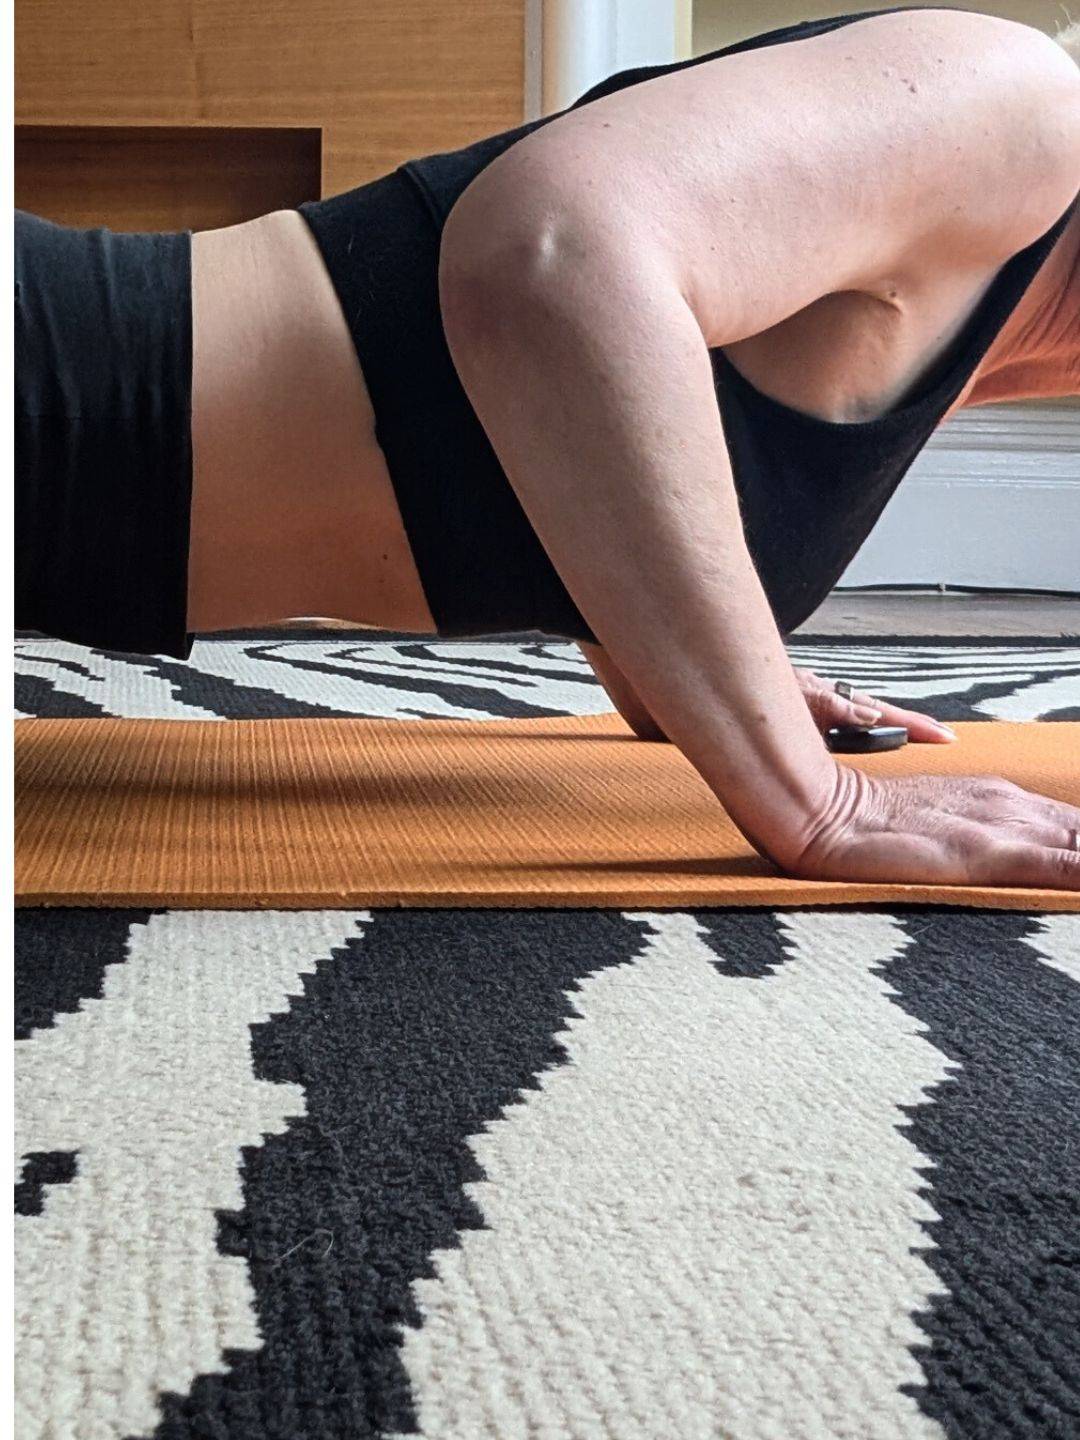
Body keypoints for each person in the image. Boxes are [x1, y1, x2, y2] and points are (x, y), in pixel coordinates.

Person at [14, 5, 1080, 891]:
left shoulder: (999, 320)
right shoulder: (1024, 110)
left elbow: (586, 415)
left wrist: (711, 669)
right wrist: (818, 798)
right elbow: (551, 253)